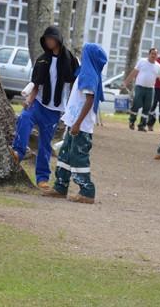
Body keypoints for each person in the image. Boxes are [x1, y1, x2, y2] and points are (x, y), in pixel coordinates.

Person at [12, 26, 79, 190]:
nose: (49, 42)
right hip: (38, 103)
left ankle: (42, 178)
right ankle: (18, 152)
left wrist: (70, 109)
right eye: (46, 39)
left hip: (55, 109)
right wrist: (29, 99)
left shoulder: (70, 59)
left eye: (51, 39)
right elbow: (37, 82)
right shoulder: (42, 59)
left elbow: (73, 84)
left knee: (45, 143)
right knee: (24, 118)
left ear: (58, 39)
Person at [44, 43, 108, 204]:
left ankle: (87, 191)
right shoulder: (84, 72)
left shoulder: (88, 75)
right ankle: (60, 187)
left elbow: (90, 99)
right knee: (65, 154)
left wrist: (78, 123)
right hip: (74, 123)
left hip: (81, 125)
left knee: (78, 157)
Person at [123, 48, 160, 132]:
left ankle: (142, 125)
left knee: (147, 107)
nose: (153, 55)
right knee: (136, 104)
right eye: (152, 53)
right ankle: (132, 121)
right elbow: (134, 72)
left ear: (157, 55)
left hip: (150, 89)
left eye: (155, 54)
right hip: (139, 87)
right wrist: (126, 82)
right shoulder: (142, 61)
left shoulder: (158, 66)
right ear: (149, 54)